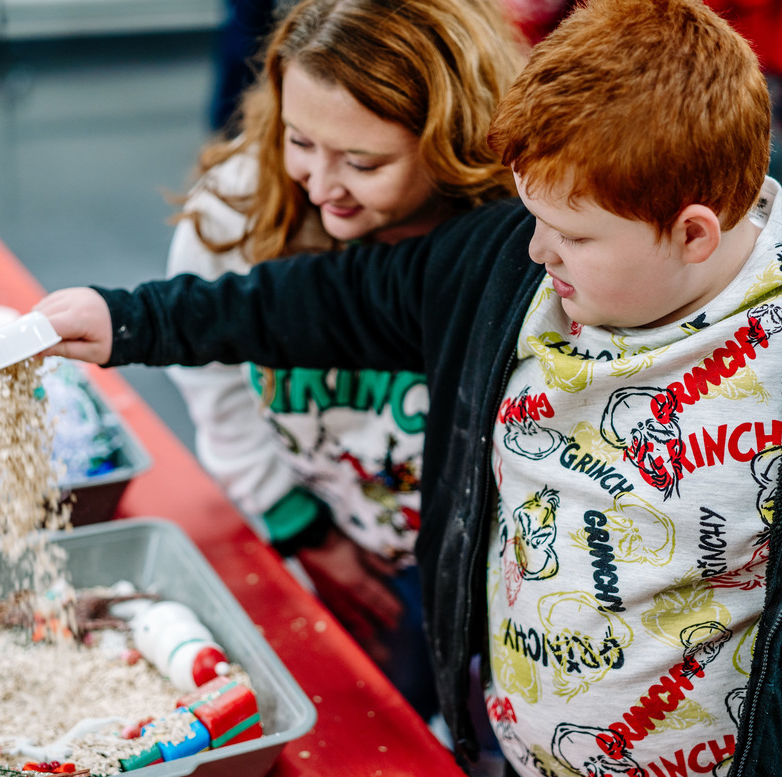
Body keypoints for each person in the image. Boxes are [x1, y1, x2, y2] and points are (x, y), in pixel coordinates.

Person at [36, 0, 782, 774]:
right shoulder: (506, 262)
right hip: (502, 745)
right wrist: (129, 320)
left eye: (571, 236)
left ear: (694, 231)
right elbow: (319, 298)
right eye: (532, 218)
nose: (535, 252)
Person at [163, 0, 524, 725]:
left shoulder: (518, 234)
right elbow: (212, 377)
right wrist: (296, 523)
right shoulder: (238, 211)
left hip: (487, 568)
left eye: (363, 162)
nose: (322, 184)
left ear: (454, 139)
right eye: (300, 139)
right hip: (328, 533)